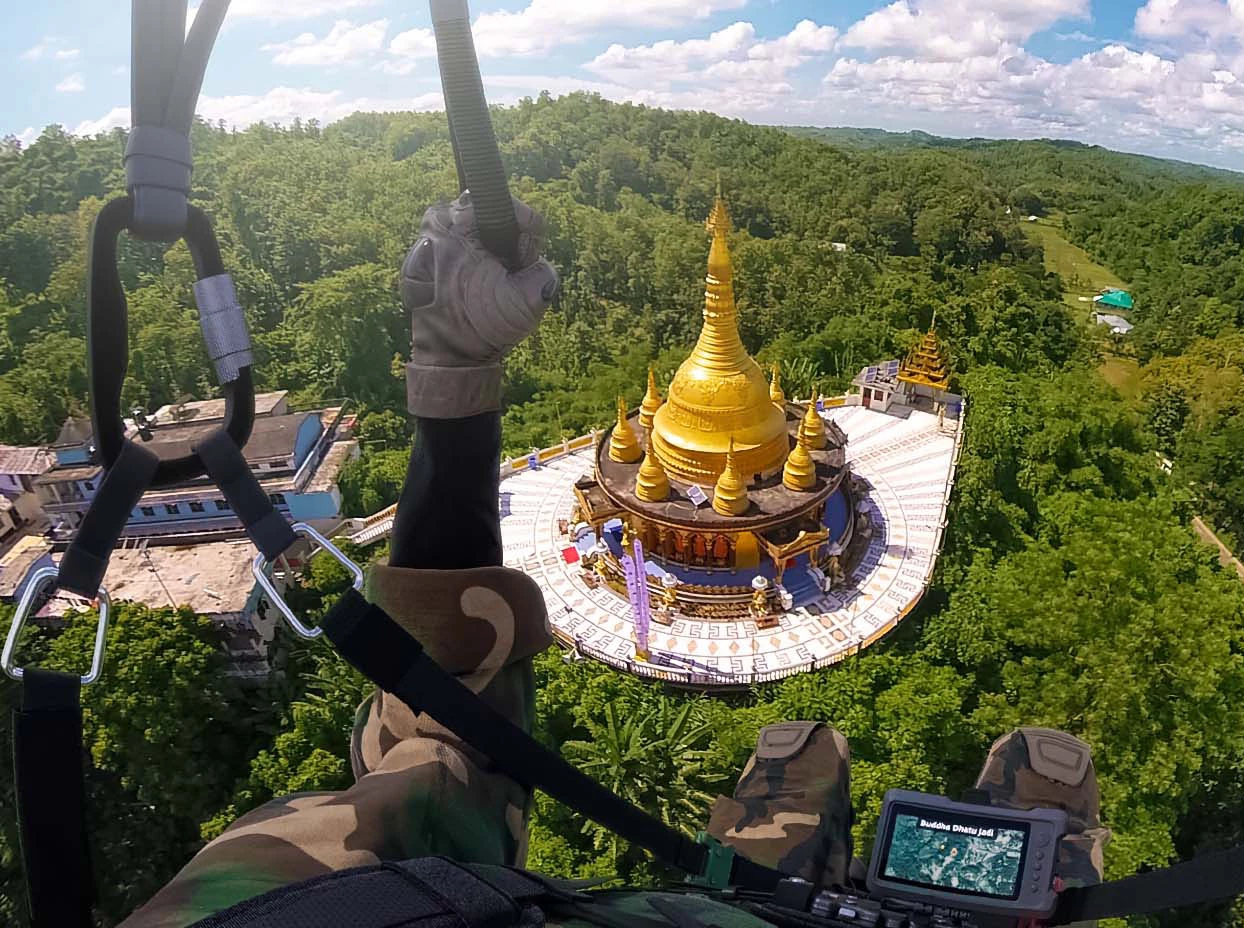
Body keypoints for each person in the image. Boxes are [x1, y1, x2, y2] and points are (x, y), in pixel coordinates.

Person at [118, 194, 1103, 927]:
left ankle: (785, 843)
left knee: (778, 818)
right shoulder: (287, 890)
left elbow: (439, 732)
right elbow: (442, 735)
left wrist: (453, 399)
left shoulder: (275, 895)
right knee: (988, 840)